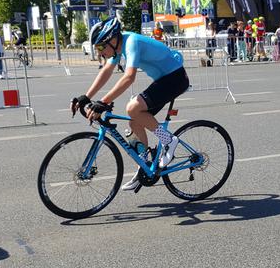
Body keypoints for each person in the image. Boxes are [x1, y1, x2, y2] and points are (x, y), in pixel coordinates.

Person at [70, 17, 190, 191]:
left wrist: (103, 102)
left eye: (101, 47)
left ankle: (169, 141)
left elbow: (129, 77)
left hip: (175, 78)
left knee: (132, 108)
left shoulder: (131, 41)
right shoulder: (117, 46)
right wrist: (85, 97)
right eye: (97, 48)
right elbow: (106, 71)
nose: (100, 53)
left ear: (112, 39)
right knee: (134, 122)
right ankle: (145, 164)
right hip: (164, 80)